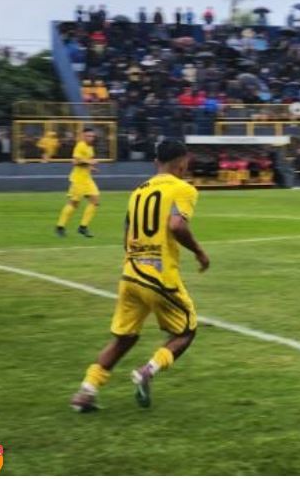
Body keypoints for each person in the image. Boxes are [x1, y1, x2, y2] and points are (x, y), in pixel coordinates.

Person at [70, 140, 210, 412]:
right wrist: (200, 252)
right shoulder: (183, 189)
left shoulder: (138, 192)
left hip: (131, 274)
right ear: (183, 163)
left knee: (124, 338)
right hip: (159, 276)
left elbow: (127, 235)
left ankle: (86, 391)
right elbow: (177, 225)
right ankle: (147, 370)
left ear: (156, 162)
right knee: (185, 331)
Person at [56, 128, 100, 238]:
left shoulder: (90, 147)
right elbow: (75, 161)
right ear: (83, 136)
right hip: (78, 180)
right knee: (74, 203)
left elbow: (85, 162)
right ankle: (60, 227)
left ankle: (83, 227)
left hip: (87, 179)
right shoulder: (80, 146)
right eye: (88, 136)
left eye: (92, 136)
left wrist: (91, 167)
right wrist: (89, 162)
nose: (91, 138)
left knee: (95, 200)